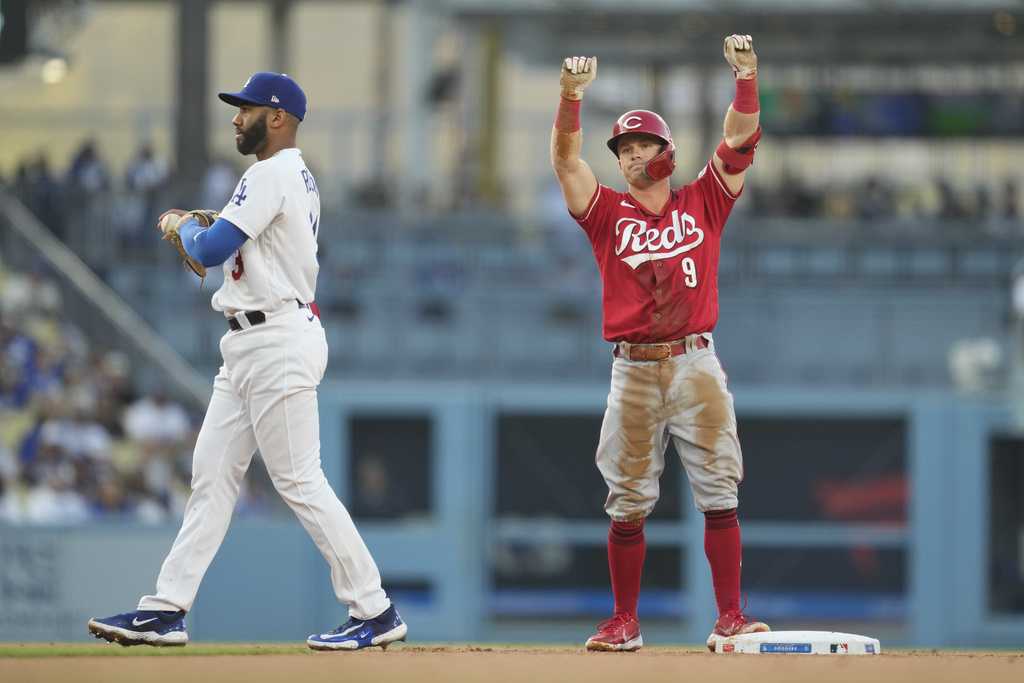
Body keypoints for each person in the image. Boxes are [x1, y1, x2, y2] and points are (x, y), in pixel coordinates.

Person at [87, 72, 406, 651]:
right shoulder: (288, 176)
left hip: (276, 337)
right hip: (249, 341)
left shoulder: (272, 171)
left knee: (299, 479)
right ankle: (166, 609)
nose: (236, 117)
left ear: (277, 117)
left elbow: (208, 251)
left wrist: (182, 224)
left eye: (247, 108)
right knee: (211, 477)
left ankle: (374, 608)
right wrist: (207, 227)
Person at [550, 38, 769, 652]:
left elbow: (741, 138)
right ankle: (624, 622)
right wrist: (571, 99)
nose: (632, 155)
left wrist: (746, 77)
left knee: (720, 489)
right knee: (626, 498)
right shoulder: (608, 214)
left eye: (643, 144)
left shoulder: (703, 198)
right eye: (624, 148)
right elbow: (568, 164)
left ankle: (730, 617)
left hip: (695, 358)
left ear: (666, 150)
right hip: (634, 367)